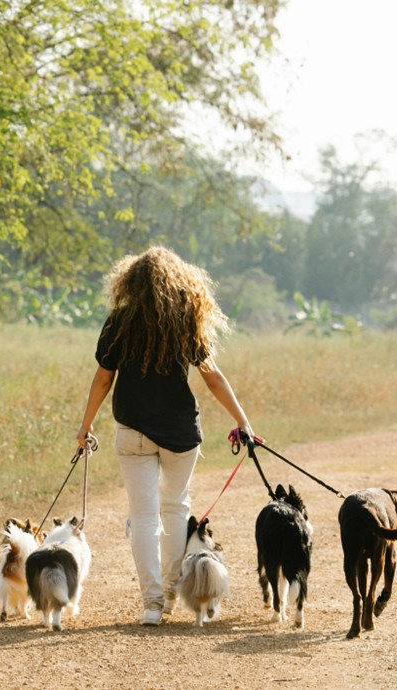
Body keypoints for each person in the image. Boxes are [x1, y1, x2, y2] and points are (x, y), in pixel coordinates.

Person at [76, 246, 256, 626]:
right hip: (180, 434)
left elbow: (103, 378)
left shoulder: (119, 322)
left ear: (131, 282)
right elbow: (212, 377)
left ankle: (152, 604)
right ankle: (172, 595)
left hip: (132, 431)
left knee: (143, 517)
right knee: (175, 509)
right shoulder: (185, 320)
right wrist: (243, 421)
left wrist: (85, 425)